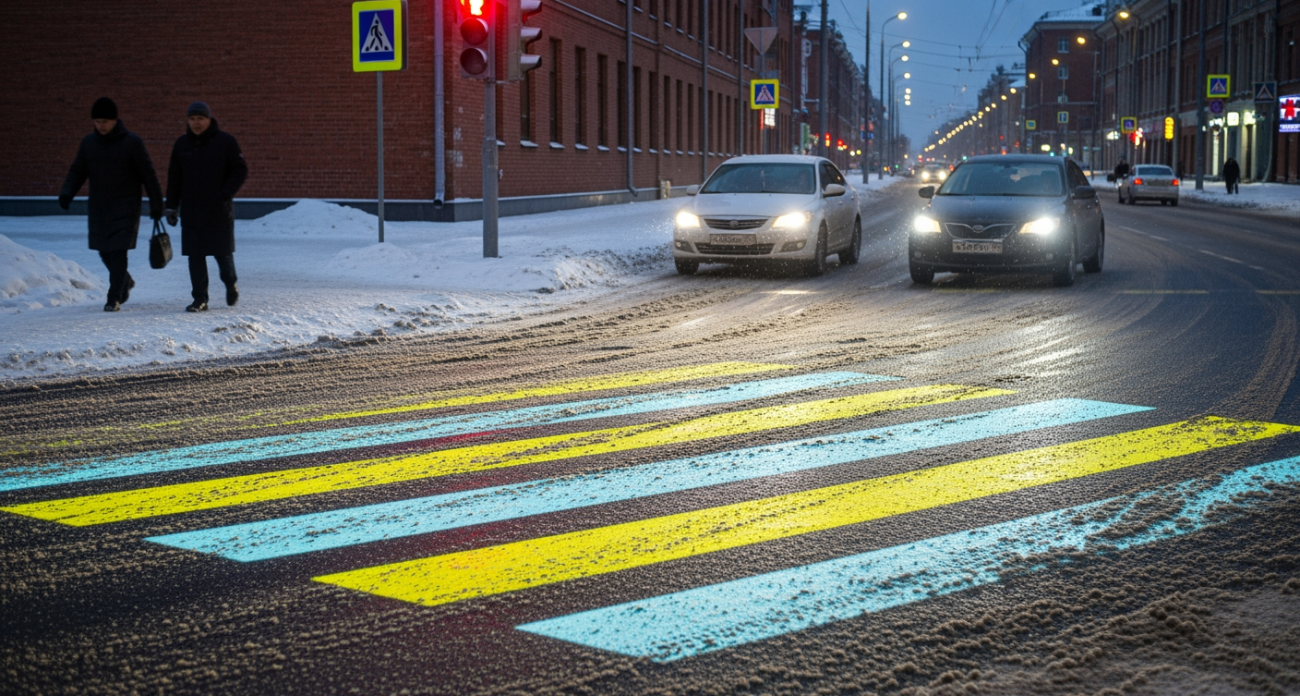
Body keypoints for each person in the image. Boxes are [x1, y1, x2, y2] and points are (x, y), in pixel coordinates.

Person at [59, 97, 163, 312]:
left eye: (105, 121)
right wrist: (67, 193)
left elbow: (148, 175)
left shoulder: (132, 143)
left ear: (115, 120)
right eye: (97, 122)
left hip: (126, 206)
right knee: (103, 250)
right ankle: (125, 280)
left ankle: (113, 296)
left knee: (117, 251)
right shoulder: (88, 144)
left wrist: (156, 203)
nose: (101, 126)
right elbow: (78, 170)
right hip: (99, 205)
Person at [164, 101, 248, 312]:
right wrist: (172, 206)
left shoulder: (225, 142)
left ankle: (230, 283)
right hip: (192, 209)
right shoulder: (182, 144)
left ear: (209, 119)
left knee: (222, 253)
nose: (196, 123)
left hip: (218, 209)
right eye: (192, 119)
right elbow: (174, 177)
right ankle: (200, 299)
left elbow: (240, 170)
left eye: (200, 118)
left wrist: (224, 194)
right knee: (195, 256)